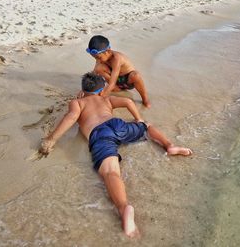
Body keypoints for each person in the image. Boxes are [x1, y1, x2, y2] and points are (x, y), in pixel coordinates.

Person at [39, 72, 192, 238]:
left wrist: (51, 139)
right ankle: (170, 146)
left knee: (110, 172)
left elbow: (71, 118)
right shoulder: (106, 99)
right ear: (102, 90)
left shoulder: (78, 102)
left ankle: (123, 207)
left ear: (82, 90)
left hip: (100, 134)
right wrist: (139, 119)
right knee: (147, 127)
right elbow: (127, 101)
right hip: (117, 125)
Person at [86, 35, 151, 108]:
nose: (97, 60)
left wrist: (102, 97)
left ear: (108, 51)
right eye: (95, 58)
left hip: (128, 81)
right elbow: (94, 74)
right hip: (117, 82)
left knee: (136, 75)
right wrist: (86, 90)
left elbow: (112, 83)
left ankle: (145, 99)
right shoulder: (101, 58)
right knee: (99, 68)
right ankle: (117, 89)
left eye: (98, 58)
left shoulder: (117, 59)